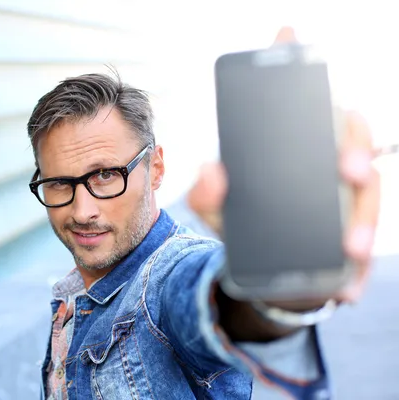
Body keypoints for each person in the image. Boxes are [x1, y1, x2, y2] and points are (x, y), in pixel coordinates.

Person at [26, 27, 380, 400]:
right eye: (59, 183)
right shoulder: (73, 293)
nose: (83, 211)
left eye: (105, 175)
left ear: (156, 168)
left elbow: (205, 300)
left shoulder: (169, 278)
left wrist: (274, 287)